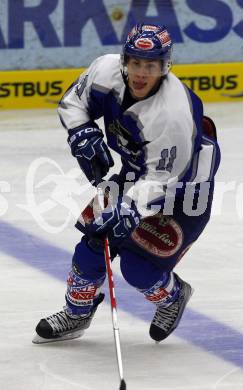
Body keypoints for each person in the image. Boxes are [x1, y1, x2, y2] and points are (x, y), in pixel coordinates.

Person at [33, 23, 220, 344]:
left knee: (138, 268)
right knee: (93, 244)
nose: (141, 73)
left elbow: (166, 179)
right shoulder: (105, 70)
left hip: (185, 191)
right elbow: (72, 103)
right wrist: (82, 131)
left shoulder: (173, 112)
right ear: (124, 60)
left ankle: (172, 297)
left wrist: (129, 210)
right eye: (135, 62)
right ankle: (77, 314)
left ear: (164, 66)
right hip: (138, 172)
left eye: (151, 66)